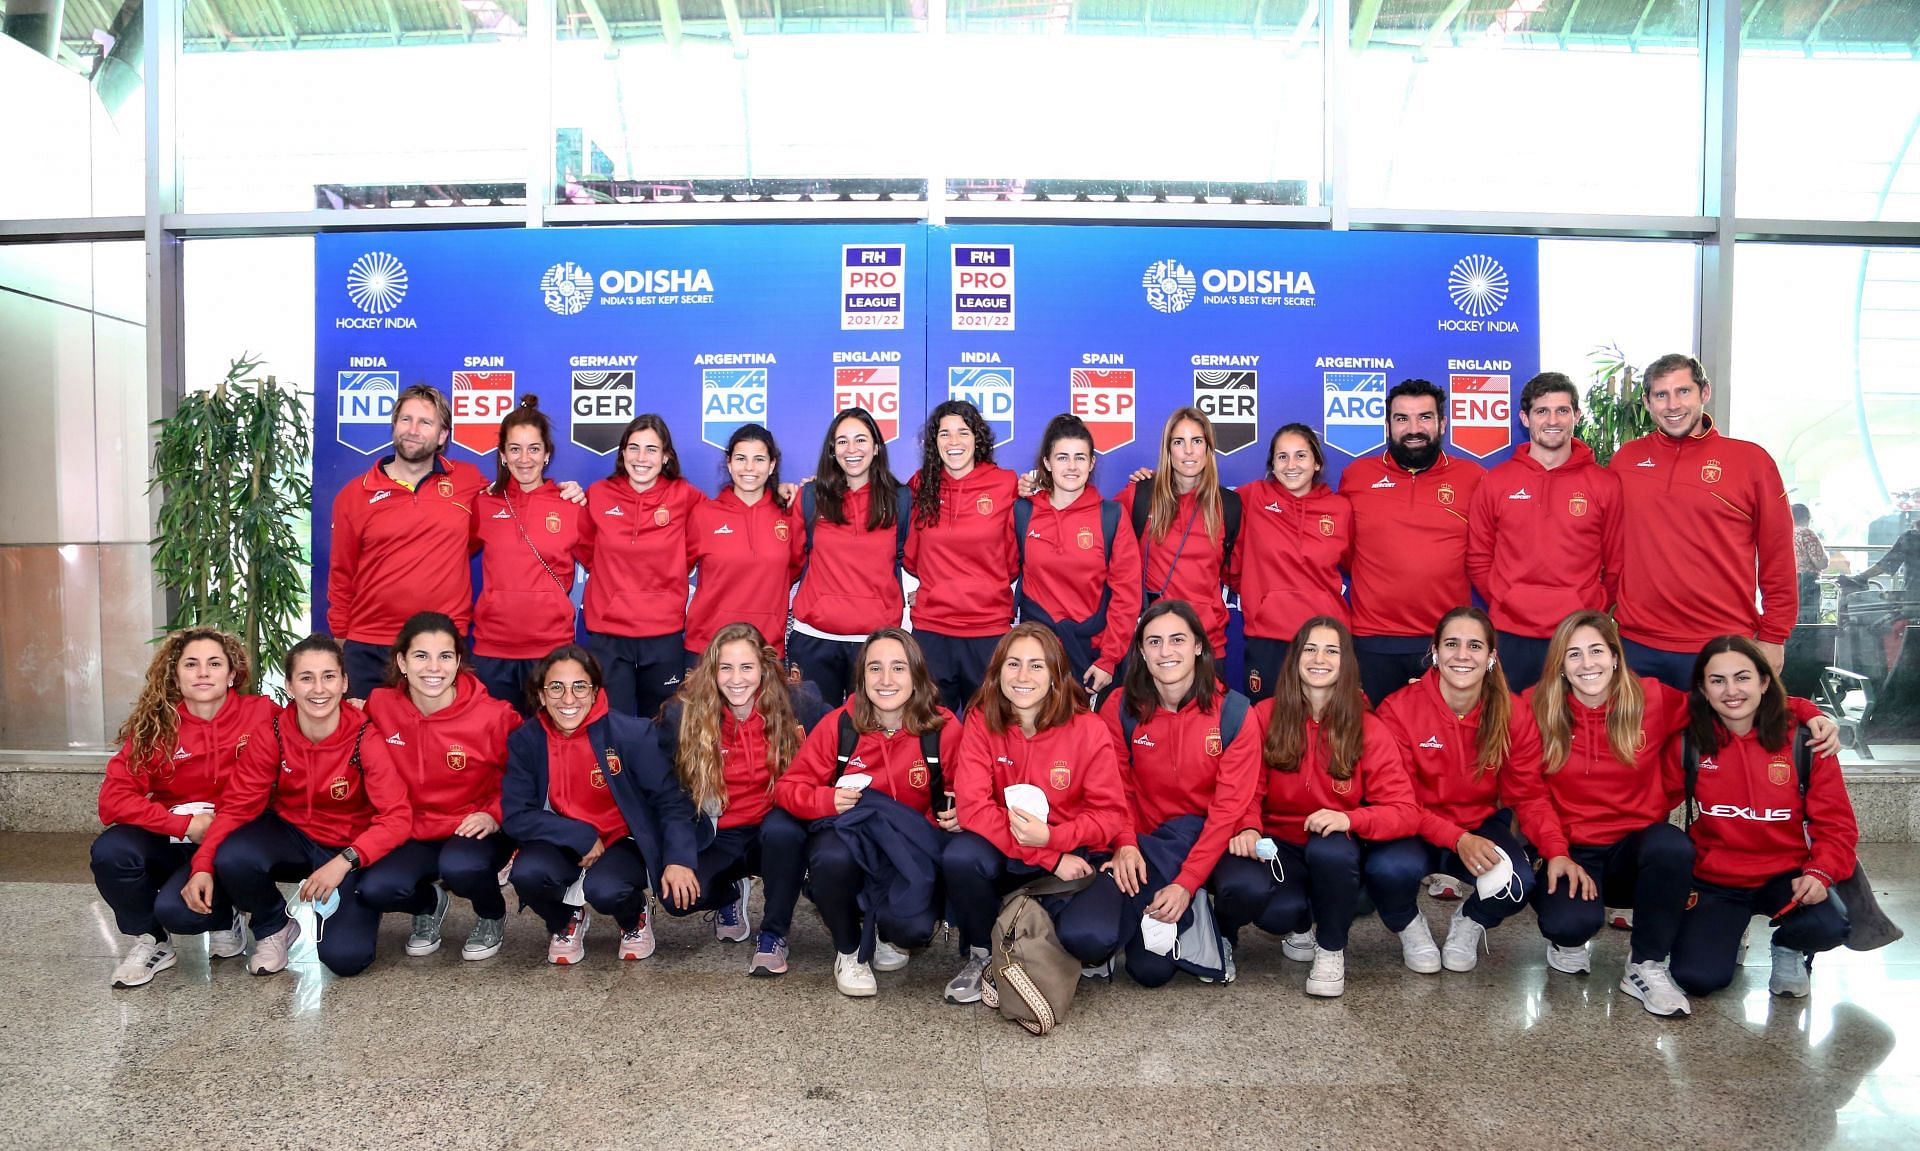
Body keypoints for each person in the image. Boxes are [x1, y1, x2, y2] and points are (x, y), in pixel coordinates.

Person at [1523, 611, 1837, 1015]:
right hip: (1568, 851)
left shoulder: (1651, 698)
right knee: (1569, 924)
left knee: (1671, 847)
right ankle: (1567, 942)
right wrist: (1555, 849)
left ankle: (1644, 965)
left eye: (1597, 651)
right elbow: (1527, 791)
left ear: (1616, 656)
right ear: (1561, 667)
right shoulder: (1534, 707)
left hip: (1631, 852)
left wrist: (1808, 712)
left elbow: (1728, 700)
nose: (1588, 664)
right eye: (1574, 655)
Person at [182, 634, 414, 977]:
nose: (318, 689)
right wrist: (202, 865)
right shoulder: (274, 732)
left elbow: (397, 818)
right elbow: (236, 807)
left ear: (344, 682)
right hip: (291, 833)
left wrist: (346, 860)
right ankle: (273, 926)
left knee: (346, 959)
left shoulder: (366, 737)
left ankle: (362, 906)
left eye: (329, 677)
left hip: (345, 845)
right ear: (289, 685)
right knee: (233, 856)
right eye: (306, 678)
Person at [1213, 617, 1420, 998]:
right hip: (1276, 845)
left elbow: (1405, 810)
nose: (1319, 658)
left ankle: (1330, 948)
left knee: (1333, 849)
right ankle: (1248, 933)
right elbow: (1246, 789)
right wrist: (1248, 827)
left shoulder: (1368, 727)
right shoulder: (1263, 716)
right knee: (1270, 908)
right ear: (1294, 659)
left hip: (1334, 847)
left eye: (1331, 650)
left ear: (1347, 663)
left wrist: (1350, 818)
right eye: (1309, 649)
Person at [943, 624, 1131, 1004]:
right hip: (1012, 851)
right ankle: (982, 953)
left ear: (1056, 676)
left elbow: (1110, 815)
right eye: (1013, 664)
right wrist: (1047, 854)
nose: (1023, 676)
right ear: (997, 672)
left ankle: (1040, 936)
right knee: (960, 857)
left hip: (1074, 855)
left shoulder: (1089, 729)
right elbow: (974, 808)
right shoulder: (981, 720)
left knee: (1094, 941)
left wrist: (1057, 840)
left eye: (1036, 666)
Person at [1365, 608, 1556, 974]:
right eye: (1452, 644)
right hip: (1412, 824)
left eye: (1475, 645)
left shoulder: (1513, 713)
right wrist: (1456, 839)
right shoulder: (1399, 709)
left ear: (1491, 657)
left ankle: (1469, 922)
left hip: (1477, 824)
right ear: (1435, 652)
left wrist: (1556, 851)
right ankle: (1407, 924)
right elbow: (1397, 802)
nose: (1463, 655)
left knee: (1518, 884)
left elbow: (1529, 795)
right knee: (1387, 869)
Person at [774, 628, 963, 995]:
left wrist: (963, 812)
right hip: (852, 843)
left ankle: (888, 933)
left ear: (917, 676)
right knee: (829, 857)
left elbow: (972, 789)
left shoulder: (943, 728)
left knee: (913, 929)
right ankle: (849, 950)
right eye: (875, 668)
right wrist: (828, 800)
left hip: (909, 848)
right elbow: (787, 789)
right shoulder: (839, 726)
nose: (886, 680)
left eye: (898, 668)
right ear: (861, 677)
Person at [1669, 635, 1857, 1000]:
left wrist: (1821, 873)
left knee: (1830, 926)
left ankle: (1788, 946)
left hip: (1786, 876)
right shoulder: (1689, 742)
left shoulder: (1806, 741)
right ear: (1703, 689)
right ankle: (1728, 930)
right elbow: (1649, 801)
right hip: (1715, 879)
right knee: (1697, 978)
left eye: (1743, 677)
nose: (1731, 691)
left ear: (1764, 682)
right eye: (1717, 680)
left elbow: (1837, 826)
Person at [91, 629, 277, 988]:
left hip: (232, 842)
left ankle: (226, 917)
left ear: (232, 673)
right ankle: (152, 940)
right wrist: (183, 824)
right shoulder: (157, 727)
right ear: (176, 675)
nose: (203, 673)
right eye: (191, 664)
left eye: (214, 664)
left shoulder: (262, 714)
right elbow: (112, 800)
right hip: (175, 836)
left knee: (182, 914)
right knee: (111, 851)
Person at [501, 644, 700, 964]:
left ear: (595, 692)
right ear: (541, 695)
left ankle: (633, 917)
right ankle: (565, 920)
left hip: (622, 838)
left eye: (580, 686)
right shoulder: (527, 740)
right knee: (528, 874)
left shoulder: (631, 735)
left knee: (606, 889)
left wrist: (679, 859)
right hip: (563, 836)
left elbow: (671, 801)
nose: (568, 699)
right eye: (556, 687)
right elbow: (515, 815)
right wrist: (578, 834)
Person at [1611, 354, 1796, 688]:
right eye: (1661, 395)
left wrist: (1774, 635)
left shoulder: (1751, 462)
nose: (1672, 405)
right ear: (1647, 402)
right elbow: (1607, 546)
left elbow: (1778, 556)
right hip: (1637, 644)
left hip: (1722, 646)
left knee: (1716, 741)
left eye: (1683, 392)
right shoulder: (1627, 460)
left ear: (1704, 393)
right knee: (1638, 742)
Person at [1097, 600, 1256, 986]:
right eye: (1153, 641)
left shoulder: (1234, 713)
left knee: (1251, 886)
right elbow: (1116, 791)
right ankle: (1174, 911)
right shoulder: (1120, 707)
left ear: (1199, 646)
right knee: (1149, 972)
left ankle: (1215, 925)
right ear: (1140, 651)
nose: (1165, 651)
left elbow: (1226, 812)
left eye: (1177, 640)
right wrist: (1124, 844)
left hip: (1208, 841)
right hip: (1148, 843)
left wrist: (1186, 883)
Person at [657, 623, 827, 972]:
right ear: (712, 671)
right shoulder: (682, 715)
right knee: (675, 899)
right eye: (726, 668)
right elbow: (668, 792)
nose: (737, 679)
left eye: (746, 667)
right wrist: (677, 857)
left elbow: (844, 736)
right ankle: (729, 892)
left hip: (775, 827)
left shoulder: (801, 704)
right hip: (719, 831)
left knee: (784, 831)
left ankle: (774, 934)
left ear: (764, 669)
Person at [356, 613, 522, 962]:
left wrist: (494, 814)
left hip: (474, 826)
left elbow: (527, 778)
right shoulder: (381, 705)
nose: (434, 667)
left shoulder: (494, 716)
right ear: (402, 661)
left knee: (462, 867)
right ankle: (429, 904)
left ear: (459, 661)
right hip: (412, 828)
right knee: (375, 888)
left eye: (445, 656)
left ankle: (491, 914)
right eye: (421, 656)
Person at [1465, 372, 1624, 691]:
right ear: (1525, 418)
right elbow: (1478, 559)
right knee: (1513, 727)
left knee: (1572, 730)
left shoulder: (1604, 484)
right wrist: (1507, 599)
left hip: (1577, 634)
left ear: (1576, 416)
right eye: (1542, 411)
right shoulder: (1496, 481)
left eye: (1562, 410)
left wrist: (1589, 605)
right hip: (1511, 633)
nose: (1553, 420)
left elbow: (1617, 562)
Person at [327, 384, 489, 695]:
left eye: (425, 422)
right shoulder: (354, 494)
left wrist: (566, 492)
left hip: (439, 646)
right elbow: (341, 573)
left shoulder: (469, 482)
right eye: (406, 420)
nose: (413, 430)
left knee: (440, 741)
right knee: (365, 742)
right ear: (393, 426)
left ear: (443, 436)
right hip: (370, 645)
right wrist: (342, 640)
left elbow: (494, 522)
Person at [1339, 379, 1485, 705]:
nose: (1413, 428)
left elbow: (1485, 554)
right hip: (1374, 639)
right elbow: (1346, 551)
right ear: (1388, 425)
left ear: (1442, 423)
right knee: (1374, 743)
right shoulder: (1356, 476)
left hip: (1446, 641)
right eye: (1402, 418)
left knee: (1444, 743)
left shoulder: (1474, 479)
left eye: (1425, 417)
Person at [576, 414, 705, 720]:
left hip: (663, 634)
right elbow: (585, 548)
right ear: (622, 454)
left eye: (651, 449)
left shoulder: (685, 496)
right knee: (610, 726)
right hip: (608, 634)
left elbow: (700, 542)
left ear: (666, 456)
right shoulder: (598, 494)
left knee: (663, 726)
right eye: (633, 448)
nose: (641, 458)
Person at [1015, 413, 1142, 701]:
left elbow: (1127, 596)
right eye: (1062, 458)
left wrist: (1109, 658)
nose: (1071, 467)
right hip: (1037, 657)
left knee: (1090, 742)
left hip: (1092, 659)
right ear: (1047, 462)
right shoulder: (1024, 512)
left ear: (1092, 462)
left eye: (1080, 458)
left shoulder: (1111, 516)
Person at [789, 408, 912, 706]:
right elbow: (792, 562)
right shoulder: (810, 497)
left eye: (860, 440)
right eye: (842, 442)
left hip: (876, 641)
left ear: (876, 446)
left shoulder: (901, 499)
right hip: (815, 638)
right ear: (832, 450)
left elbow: (912, 561)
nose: (852, 449)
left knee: (870, 736)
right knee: (813, 733)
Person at [471, 396, 585, 715]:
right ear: (503, 455)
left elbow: (608, 564)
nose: (525, 459)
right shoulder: (483, 504)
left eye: (534, 448)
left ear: (547, 454)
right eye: (515, 449)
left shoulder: (571, 505)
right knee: (495, 751)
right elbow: (450, 556)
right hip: (493, 650)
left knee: (550, 749)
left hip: (551, 651)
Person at [904, 400, 1019, 714]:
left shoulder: (1006, 483)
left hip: (988, 631)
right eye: (944, 434)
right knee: (929, 734)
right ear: (934, 442)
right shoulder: (920, 485)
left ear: (977, 438)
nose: (954, 442)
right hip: (933, 632)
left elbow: (1013, 558)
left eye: (963, 432)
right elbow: (911, 556)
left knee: (990, 732)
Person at [1231, 423, 1351, 702]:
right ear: (1272, 464)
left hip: (1325, 638)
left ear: (1317, 463)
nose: (1291, 465)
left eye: (1301, 455)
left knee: (1326, 731)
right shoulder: (1251, 498)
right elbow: (1198, 499)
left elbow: (1356, 563)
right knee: (1268, 728)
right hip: (1268, 637)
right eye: (1282, 457)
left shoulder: (1341, 508)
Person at [1119, 407, 1239, 660]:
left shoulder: (1229, 505)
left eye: (1196, 441)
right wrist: (1039, 488)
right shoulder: (1139, 497)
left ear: (1208, 448)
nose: (1188, 451)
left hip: (1206, 644)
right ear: (1168, 449)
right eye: (1178, 442)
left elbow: (1239, 572)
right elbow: (1088, 518)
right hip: (1154, 645)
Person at [684, 424, 805, 663]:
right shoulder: (703, 514)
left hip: (766, 649)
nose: (749, 468)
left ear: (771, 465)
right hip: (708, 647)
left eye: (759, 459)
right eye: (741, 458)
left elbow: (794, 568)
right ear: (729, 463)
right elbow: (678, 569)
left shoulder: (789, 514)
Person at [1792, 504, 1828, 618]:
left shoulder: (1781, 533)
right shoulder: (1806, 533)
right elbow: (1821, 562)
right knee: (1807, 619)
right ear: (1808, 518)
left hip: (1784, 581)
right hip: (1806, 582)